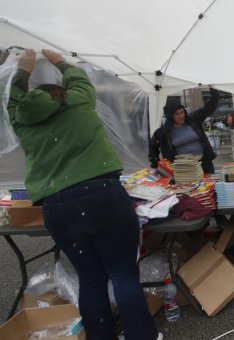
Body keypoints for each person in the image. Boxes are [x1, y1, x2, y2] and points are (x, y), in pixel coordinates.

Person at [8, 49, 161, 340]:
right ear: (62, 94)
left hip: (57, 206)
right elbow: (79, 80)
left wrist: (23, 70)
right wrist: (59, 60)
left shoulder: (20, 118)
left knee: (90, 276)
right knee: (123, 273)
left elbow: (11, 99)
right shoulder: (78, 101)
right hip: (102, 195)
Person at [149, 87, 220, 173]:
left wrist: (213, 90)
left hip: (204, 165)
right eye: (177, 114)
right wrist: (155, 164)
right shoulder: (164, 131)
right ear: (171, 116)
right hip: (183, 169)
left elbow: (209, 107)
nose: (181, 116)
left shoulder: (193, 119)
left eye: (182, 112)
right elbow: (153, 145)